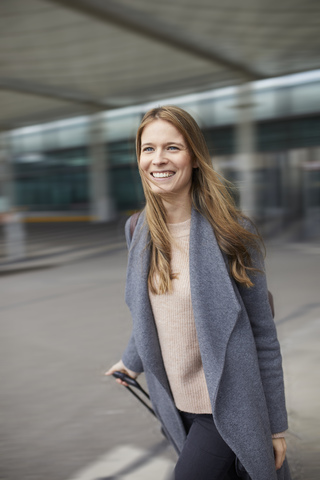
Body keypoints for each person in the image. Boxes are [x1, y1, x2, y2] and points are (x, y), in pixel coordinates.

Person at [106, 106, 291, 480]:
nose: (158, 159)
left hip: (226, 407)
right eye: (148, 149)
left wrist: (275, 425)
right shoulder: (137, 229)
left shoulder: (233, 233)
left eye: (172, 148)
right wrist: (130, 362)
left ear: (194, 158)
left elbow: (264, 336)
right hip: (174, 402)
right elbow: (153, 314)